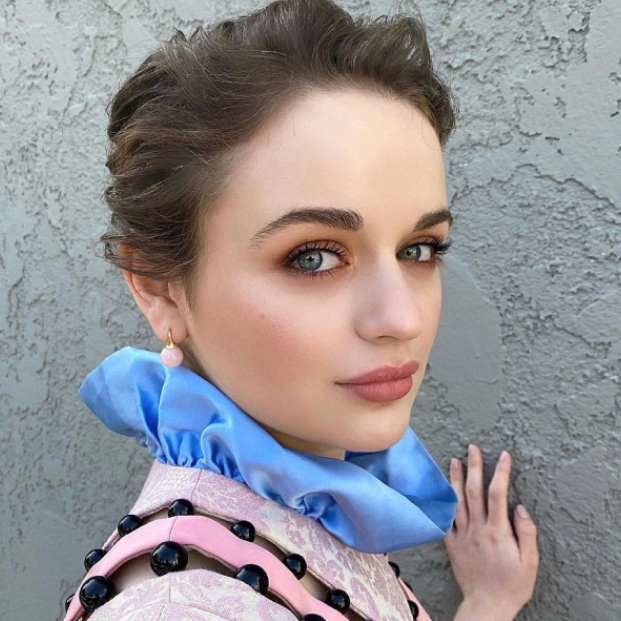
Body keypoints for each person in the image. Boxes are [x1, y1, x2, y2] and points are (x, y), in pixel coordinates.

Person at [61, 0, 539, 619]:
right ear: (160, 289)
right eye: (314, 258)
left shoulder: (301, 495)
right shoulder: (186, 607)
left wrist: (488, 602)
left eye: (419, 249)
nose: (403, 319)